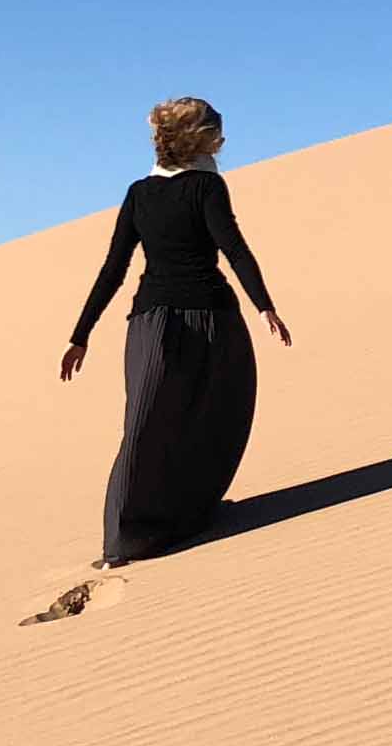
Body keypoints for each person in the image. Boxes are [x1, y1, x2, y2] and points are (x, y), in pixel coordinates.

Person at [61, 95, 290, 564]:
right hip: (207, 321)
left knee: (175, 421)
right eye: (217, 136)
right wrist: (264, 305)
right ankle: (125, 539)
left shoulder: (144, 191)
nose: (223, 145)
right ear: (200, 140)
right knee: (171, 423)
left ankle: (176, 519)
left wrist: (81, 335)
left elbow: (113, 270)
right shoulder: (202, 189)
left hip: (158, 323)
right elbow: (235, 250)